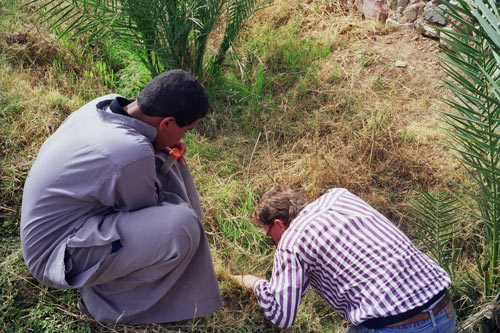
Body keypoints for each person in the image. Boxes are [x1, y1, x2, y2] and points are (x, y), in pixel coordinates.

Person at [20, 69, 222, 323]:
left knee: (167, 156)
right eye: (187, 130)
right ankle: (105, 302)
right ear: (167, 122)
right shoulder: (131, 153)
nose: (184, 137)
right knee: (181, 228)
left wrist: (162, 150)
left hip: (70, 222)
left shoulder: (106, 103)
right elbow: (148, 212)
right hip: (55, 253)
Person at [232, 187, 455, 332]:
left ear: (279, 225)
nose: (275, 245)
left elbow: (282, 316)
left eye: (270, 238)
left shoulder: (291, 240)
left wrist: (253, 282)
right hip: (445, 311)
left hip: (395, 326)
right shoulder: (340, 196)